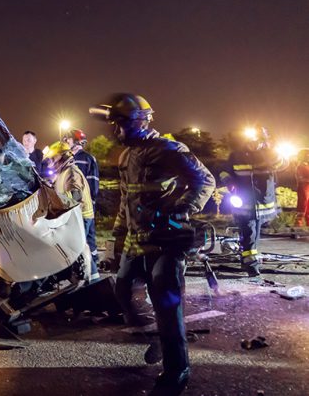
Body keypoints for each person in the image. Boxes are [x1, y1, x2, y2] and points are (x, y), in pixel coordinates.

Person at [90, 93, 214, 393]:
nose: (114, 132)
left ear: (137, 122)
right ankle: (158, 339)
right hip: (136, 241)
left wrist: (179, 209)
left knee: (166, 303)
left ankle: (177, 372)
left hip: (167, 242)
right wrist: (117, 242)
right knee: (123, 290)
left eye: (118, 125)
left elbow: (205, 181)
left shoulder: (168, 149)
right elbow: (126, 200)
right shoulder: (127, 155)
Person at [219, 127, 284, 276]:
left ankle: (247, 259)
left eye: (258, 141)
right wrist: (229, 181)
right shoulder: (236, 155)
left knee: (253, 232)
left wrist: (272, 151)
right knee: (249, 231)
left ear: (263, 141)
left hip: (263, 202)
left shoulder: (269, 155)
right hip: (244, 202)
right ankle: (250, 264)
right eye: (251, 141)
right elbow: (223, 171)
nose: (254, 144)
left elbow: (282, 164)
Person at [43, 141, 98, 280]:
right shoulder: (64, 173)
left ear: (62, 157)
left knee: (78, 248)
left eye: (53, 159)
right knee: (79, 248)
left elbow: (76, 196)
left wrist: (55, 200)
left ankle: (92, 281)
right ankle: (91, 278)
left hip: (82, 216)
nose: (51, 163)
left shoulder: (72, 173)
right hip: (76, 216)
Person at [296, 150, 309, 227]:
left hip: (307, 188)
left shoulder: (307, 165)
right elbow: (301, 179)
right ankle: (297, 227)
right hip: (303, 189)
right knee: (302, 207)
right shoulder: (300, 166)